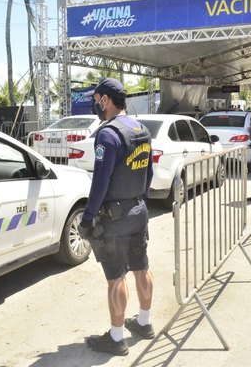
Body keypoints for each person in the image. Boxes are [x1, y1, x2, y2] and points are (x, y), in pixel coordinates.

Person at [78, 77, 155, 356]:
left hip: (116, 217)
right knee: (141, 266)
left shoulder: (108, 134)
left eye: (96, 99)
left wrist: (87, 219)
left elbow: (100, 182)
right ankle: (144, 323)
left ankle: (116, 337)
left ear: (106, 100)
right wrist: (139, 201)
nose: (95, 104)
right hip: (138, 211)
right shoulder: (141, 128)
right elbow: (149, 173)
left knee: (116, 277)